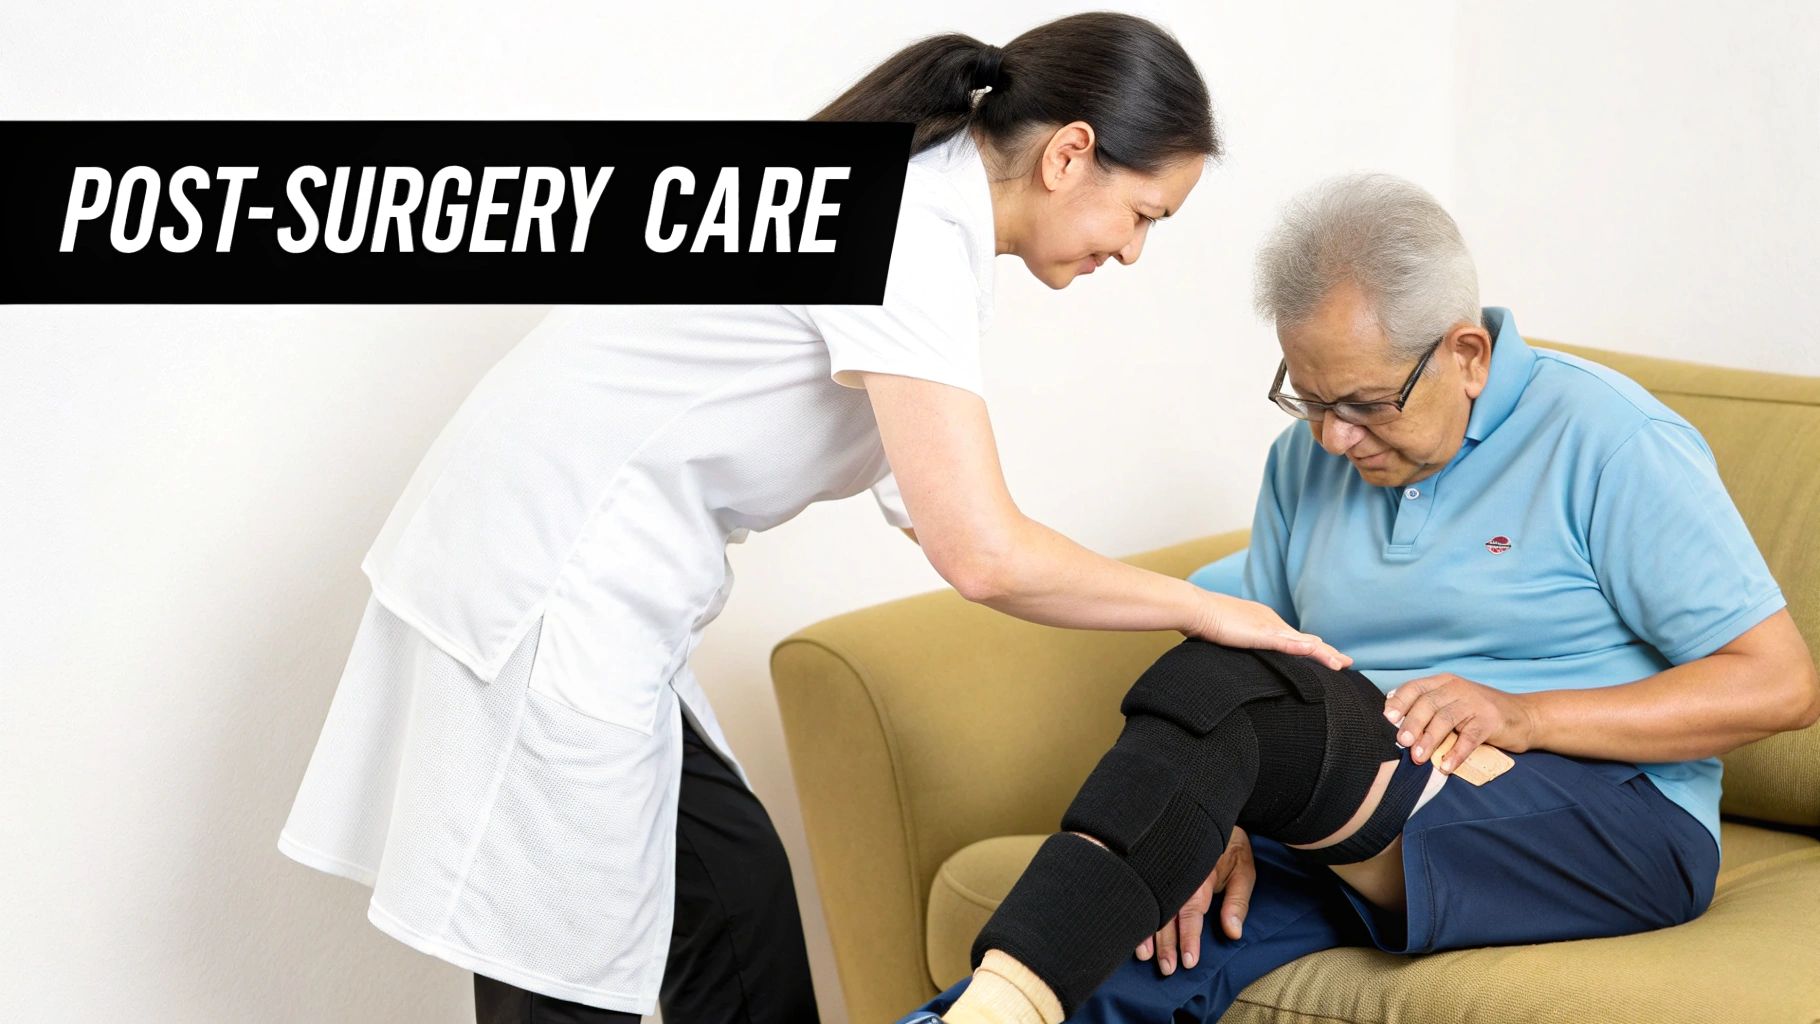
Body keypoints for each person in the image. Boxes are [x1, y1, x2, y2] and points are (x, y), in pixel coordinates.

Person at [276, 14, 1354, 1023]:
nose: (1130, 251)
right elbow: (980, 552)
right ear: (1070, 153)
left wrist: (1167, 608)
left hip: (593, 588)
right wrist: (1214, 614)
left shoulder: (912, 216)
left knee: (729, 892)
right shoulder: (905, 226)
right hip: (547, 588)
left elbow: (955, 521)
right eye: (1141, 215)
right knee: (557, 970)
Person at [901, 173, 1819, 1024]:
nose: (1335, 438)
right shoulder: (1307, 461)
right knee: (1113, 965)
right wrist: (1201, 808)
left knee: (1234, 716)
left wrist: (1526, 715)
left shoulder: (1609, 442)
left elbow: (1779, 686)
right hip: (1371, 803)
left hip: (1607, 824)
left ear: (1467, 355)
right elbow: (1231, 668)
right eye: (1308, 399)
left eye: (1368, 404)